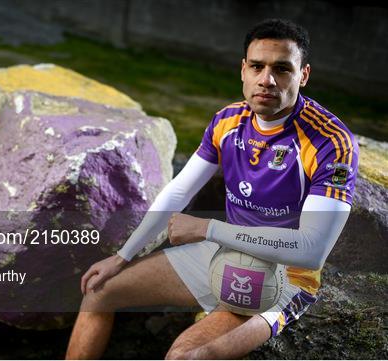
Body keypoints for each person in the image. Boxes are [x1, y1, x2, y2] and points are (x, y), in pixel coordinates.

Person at [66, 18, 359, 360]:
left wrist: (207, 228)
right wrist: (124, 255)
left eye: (282, 69)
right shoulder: (227, 121)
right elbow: (178, 192)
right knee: (99, 291)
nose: (267, 80)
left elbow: (310, 250)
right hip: (220, 254)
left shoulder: (332, 143)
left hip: (282, 275)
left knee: (187, 356)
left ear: (303, 75)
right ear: (243, 70)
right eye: (257, 66)